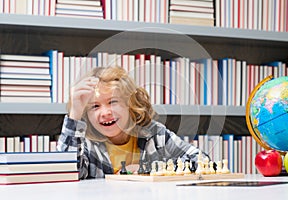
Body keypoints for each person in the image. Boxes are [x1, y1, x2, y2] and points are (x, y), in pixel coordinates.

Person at [57, 66, 207, 179]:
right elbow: (64, 174)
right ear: (86, 115)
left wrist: (148, 168)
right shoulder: (86, 144)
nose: (105, 112)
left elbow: (201, 160)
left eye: (112, 102)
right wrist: (75, 114)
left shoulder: (154, 134)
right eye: (95, 106)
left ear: (130, 104)